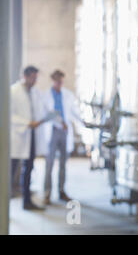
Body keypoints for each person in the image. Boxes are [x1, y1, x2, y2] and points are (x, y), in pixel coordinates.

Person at [41, 70, 82, 205]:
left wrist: (83, 123)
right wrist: (60, 122)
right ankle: (47, 193)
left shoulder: (67, 95)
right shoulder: (46, 96)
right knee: (49, 163)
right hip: (52, 131)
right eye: (57, 81)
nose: (60, 84)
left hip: (65, 132)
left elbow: (73, 112)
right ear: (53, 80)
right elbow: (48, 114)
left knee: (63, 163)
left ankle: (61, 191)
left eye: (61, 81)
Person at [10, 66, 46, 211]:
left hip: (31, 136)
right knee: (10, 171)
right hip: (17, 135)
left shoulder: (35, 92)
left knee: (29, 169)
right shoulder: (13, 91)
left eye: (36, 78)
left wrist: (38, 121)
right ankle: (4, 203)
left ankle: (27, 201)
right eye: (33, 77)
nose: (35, 81)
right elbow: (8, 114)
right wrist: (26, 123)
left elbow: (38, 110)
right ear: (24, 76)